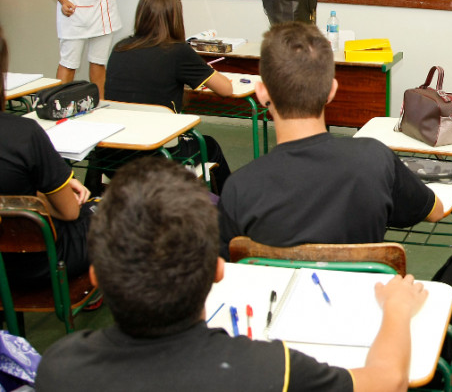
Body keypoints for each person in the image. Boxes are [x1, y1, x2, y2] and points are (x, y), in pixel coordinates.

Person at [35, 156, 430, 392]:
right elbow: (387, 380)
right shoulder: (270, 370)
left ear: (95, 278)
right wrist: (396, 310)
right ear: (218, 270)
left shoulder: (58, 368)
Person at [217, 22, 444, 259]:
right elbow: (434, 211)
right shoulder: (375, 159)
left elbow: (223, 273)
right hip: (358, 294)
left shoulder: (238, 188)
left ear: (262, 92)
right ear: (332, 90)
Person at [101, 0, 233, 193]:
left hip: (112, 158)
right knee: (210, 146)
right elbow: (226, 89)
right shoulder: (178, 52)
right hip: (159, 158)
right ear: (175, 18)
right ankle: (229, 213)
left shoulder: (120, 48)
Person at [0, 24, 93, 284]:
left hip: (6, 262)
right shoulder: (23, 134)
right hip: (34, 264)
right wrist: (46, 188)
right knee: (101, 216)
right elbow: (69, 212)